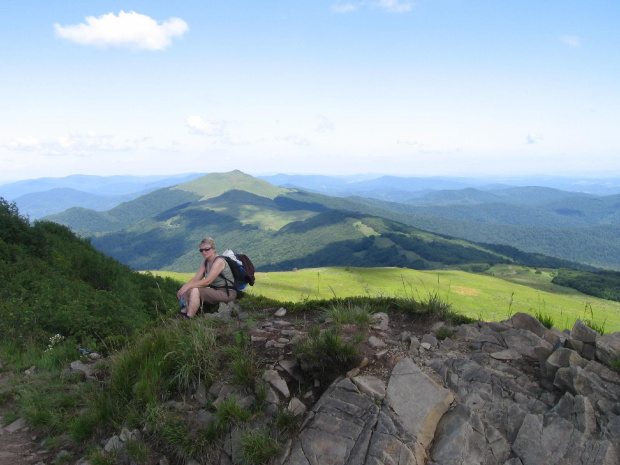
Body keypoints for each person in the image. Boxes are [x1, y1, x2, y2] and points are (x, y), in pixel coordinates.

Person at [176, 237, 237, 318]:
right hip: (216, 290)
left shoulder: (219, 261)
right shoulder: (206, 262)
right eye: (201, 250)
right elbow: (196, 278)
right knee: (190, 289)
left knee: (194, 290)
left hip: (227, 292)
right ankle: (184, 312)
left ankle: (189, 317)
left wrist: (188, 287)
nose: (204, 252)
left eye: (207, 249)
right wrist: (183, 288)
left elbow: (207, 282)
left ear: (214, 249)